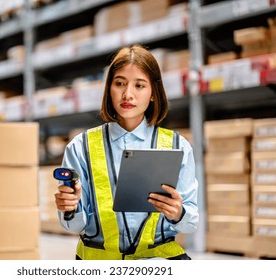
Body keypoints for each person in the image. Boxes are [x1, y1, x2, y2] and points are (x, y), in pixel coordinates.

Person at [54, 44, 199, 260]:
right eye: (120, 83)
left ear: (153, 93)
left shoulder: (178, 146)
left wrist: (178, 212)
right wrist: (69, 208)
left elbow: (191, 222)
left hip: (158, 261)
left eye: (139, 85)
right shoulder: (80, 147)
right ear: (109, 88)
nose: (127, 94)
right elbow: (74, 225)